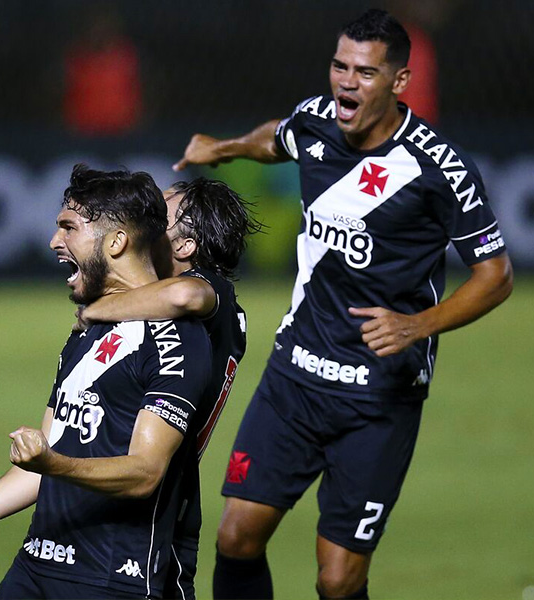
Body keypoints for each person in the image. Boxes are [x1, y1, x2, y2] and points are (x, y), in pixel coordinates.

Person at [173, 8, 513, 600]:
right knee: (236, 538)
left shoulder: (441, 169)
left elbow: (496, 275)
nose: (346, 81)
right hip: (295, 375)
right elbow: (277, 136)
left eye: (365, 71)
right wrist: (223, 147)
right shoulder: (317, 121)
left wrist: (419, 325)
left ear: (399, 82)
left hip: (379, 395)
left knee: (337, 578)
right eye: (339, 65)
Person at [0, 165, 214, 600]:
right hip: (35, 566)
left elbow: (144, 473)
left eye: (69, 227)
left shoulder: (175, 340)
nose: (54, 241)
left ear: (116, 241)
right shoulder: (87, 330)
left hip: (109, 579)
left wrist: (54, 464)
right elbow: (45, 457)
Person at [78, 178, 259, 599]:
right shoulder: (222, 314)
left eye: (159, 217)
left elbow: (183, 294)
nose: (146, 222)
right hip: (151, 483)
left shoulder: (212, 292)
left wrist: (98, 310)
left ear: (185, 247)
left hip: (163, 498)